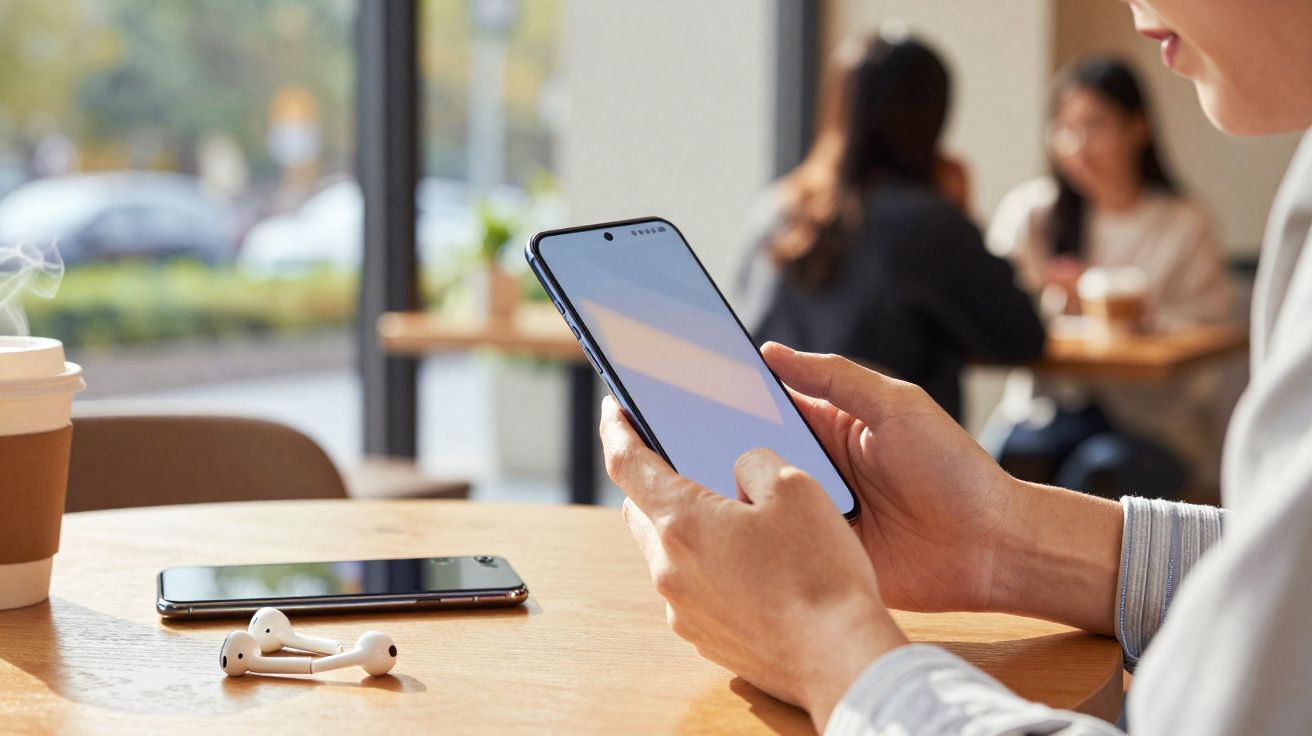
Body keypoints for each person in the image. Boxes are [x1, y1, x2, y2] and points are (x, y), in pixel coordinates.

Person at [600, 0, 1312, 733]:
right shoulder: (931, 219)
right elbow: (1017, 328)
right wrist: (997, 538)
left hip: (798, 497)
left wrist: (826, 646)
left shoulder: (774, 211)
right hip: (879, 500)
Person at [735, 27, 1044, 423]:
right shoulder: (928, 222)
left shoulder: (775, 207)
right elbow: (1021, 338)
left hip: (771, 448)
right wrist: (961, 214)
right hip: (884, 469)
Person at [986, 57, 1235, 499]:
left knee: (1100, 473)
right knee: (1003, 467)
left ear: (1138, 128)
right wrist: (1041, 291)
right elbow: (992, 309)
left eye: (1095, 125)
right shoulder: (1033, 214)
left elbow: (1210, 329)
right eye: (1064, 127)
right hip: (1048, 410)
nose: (1077, 144)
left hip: (1151, 422)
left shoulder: (1181, 222)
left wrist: (1146, 322)